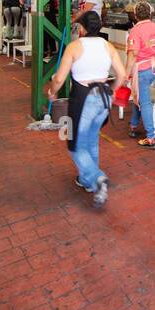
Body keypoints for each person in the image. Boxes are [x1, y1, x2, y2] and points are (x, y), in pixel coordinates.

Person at [46, 11, 128, 207]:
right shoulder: (107, 46)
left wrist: (52, 92)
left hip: (83, 99)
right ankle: (86, 182)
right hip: (104, 98)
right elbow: (122, 74)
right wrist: (114, 91)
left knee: (74, 143)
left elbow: (59, 78)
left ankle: (96, 178)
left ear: (81, 29)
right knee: (91, 139)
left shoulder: (75, 47)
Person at [125, 2, 155, 149]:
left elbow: (133, 54)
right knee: (139, 95)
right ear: (151, 14)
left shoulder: (135, 31)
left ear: (136, 15)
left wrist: (126, 73)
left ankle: (151, 138)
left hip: (142, 69)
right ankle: (133, 126)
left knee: (144, 102)